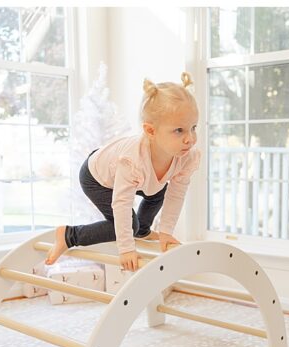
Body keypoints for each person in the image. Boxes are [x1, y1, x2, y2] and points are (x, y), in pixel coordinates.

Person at [45, 72, 201, 272]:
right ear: (151, 131)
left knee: (158, 190)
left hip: (133, 175)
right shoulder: (132, 160)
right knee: (129, 224)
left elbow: (176, 194)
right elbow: (122, 204)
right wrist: (126, 249)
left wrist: (166, 232)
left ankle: (143, 231)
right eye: (179, 130)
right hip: (96, 176)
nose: (190, 139)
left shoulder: (185, 156)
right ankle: (69, 235)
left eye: (193, 128)